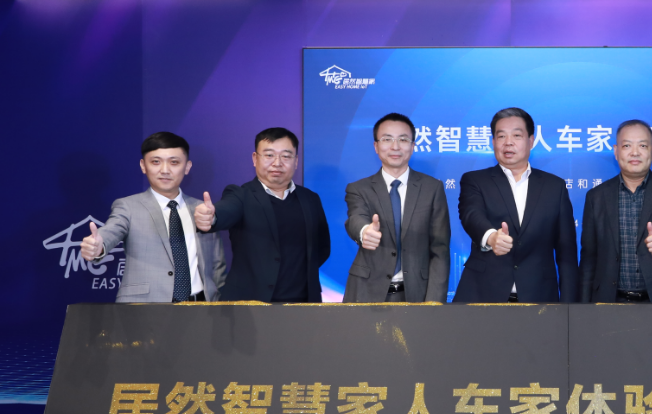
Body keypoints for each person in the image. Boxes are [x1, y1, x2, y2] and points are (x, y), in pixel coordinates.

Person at [81, 132, 226, 302]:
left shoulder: (202, 209)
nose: (165, 170)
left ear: (187, 167)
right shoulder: (128, 206)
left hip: (201, 306)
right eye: (156, 162)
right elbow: (111, 230)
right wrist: (99, 246)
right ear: (143, 166)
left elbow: (217, 264)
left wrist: (218, 304)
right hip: (145, 306)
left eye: (174, 162)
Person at [453, 107, 578, 303]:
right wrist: (491, 237)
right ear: (493, 142)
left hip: (539, 297)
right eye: (501, 136)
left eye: (516, 135)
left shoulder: (555, 187)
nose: (508, 142)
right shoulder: (475, 180)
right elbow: (471, 215)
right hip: (482, 295)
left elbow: (567, 253)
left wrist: (569, 307)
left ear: (531, 141)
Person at [193, 127, 330, 303]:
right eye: (269, 155)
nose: (277, 163)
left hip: (304, 303)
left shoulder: (310, 198)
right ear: (255, 159)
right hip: (251, 304)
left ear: (296, 161)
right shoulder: (240, 195)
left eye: (286, 156)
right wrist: (212, 218)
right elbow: (226, 210)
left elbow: (322, 248)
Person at [579, 120, 652, 303]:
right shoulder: (596, 196)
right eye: (627, 146)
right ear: (616, 151)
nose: (635, 152)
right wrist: (583, 307)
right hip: (610, 302)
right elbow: (589, 257)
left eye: (643, 145)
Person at [343, 113, 450, 303]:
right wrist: (364, 231)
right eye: (387, 139)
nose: (395, 146)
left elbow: (440, 249)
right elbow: (355, 218)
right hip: (366, 292)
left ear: (413, 146)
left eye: (403, 139)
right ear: (376, 146)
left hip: (417, 294)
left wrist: (433, 301)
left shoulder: (432, 188)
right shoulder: (359, 188)